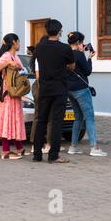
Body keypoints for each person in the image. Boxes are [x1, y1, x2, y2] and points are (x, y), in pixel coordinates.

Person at [33, 19, 75, 164]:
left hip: (44, 88)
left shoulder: (39, 47)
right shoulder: (65, 48)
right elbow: (72, 65)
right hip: (59, 89)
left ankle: (37, 155)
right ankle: (53, 155)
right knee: (56, 122)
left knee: (41, 121)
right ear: (59, 31)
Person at [67, 32, 107, 157]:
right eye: (82, 42)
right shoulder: (79, 54)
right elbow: (87, 71)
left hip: (69, 89)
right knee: (89, 117)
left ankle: (73, 147)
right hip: (81, 89)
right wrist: (89, 57)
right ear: (79, 43)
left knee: (78, 117)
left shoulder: (66, 53)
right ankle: (94, 147)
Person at [0, 33, 28, 160]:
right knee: (8, 120)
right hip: (7, 94)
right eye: (19, 41)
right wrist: (8, 64)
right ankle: (5, 151)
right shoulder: (6, 56)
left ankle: (20, 148)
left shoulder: (14, 55)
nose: (20, 44)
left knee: (13, 120)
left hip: (14, 93)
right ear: (14, 43)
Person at [28, 36, 64, 154]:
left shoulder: (40, 54)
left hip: (42, 87)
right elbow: (38, 76)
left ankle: (45, 144)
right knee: (42, 117)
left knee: (43, 117)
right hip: (41, 87)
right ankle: (40, 145)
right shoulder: (41, 55)